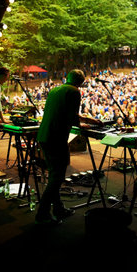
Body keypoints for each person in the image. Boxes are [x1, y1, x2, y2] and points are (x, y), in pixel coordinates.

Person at [35, 69, 101, 225]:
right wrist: (87, 124)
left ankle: (58, 208)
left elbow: (65, 113)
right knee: (57, 177)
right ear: (82, 82)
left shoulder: (56, 89)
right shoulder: (74, 92)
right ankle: (42, 214)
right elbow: (73, 117)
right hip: (56, 138)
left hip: (44, 135)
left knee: (54, 175)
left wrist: (90, 121)